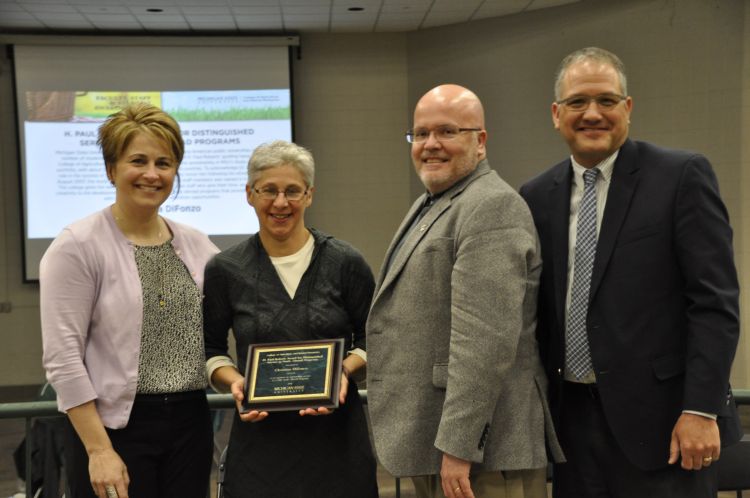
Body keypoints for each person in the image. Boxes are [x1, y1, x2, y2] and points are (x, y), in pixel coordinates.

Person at [519, 47, 742, 498]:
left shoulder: (681, 176)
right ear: (556, 114)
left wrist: (702, 409)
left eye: (607, 100)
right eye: (578, 102)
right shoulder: (537, 195)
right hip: (572, 429)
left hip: (666, 427)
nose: (593, 114)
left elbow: (714, 304)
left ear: (628, 108)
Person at [366, 84, 564, 498]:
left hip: (482, 456)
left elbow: (484, 341)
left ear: (480, 141)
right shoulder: (436, 202)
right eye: (420, 134)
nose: (430, 145)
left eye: (447, 132)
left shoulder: (491, 206)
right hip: (444, 446)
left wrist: (459, 446)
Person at [40, 102, 219, 498]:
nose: (152, 174)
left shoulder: (197, 245)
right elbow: (63, 358)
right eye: (138, 160)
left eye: (164, 162)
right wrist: (98, 449)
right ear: (111, 170)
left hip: (190, 423)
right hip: (113, 429)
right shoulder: (77, 246)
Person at [203, 140, 379, 498]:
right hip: (260, 451)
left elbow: (375, 340)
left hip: (337, 448)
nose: (280, 202)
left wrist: (341, 373)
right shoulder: (226, 269)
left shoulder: (345, 262)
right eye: (268, 190)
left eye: (292, 191)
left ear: (309, 195)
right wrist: (236, 383)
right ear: (249, 194)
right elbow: (211, 350)